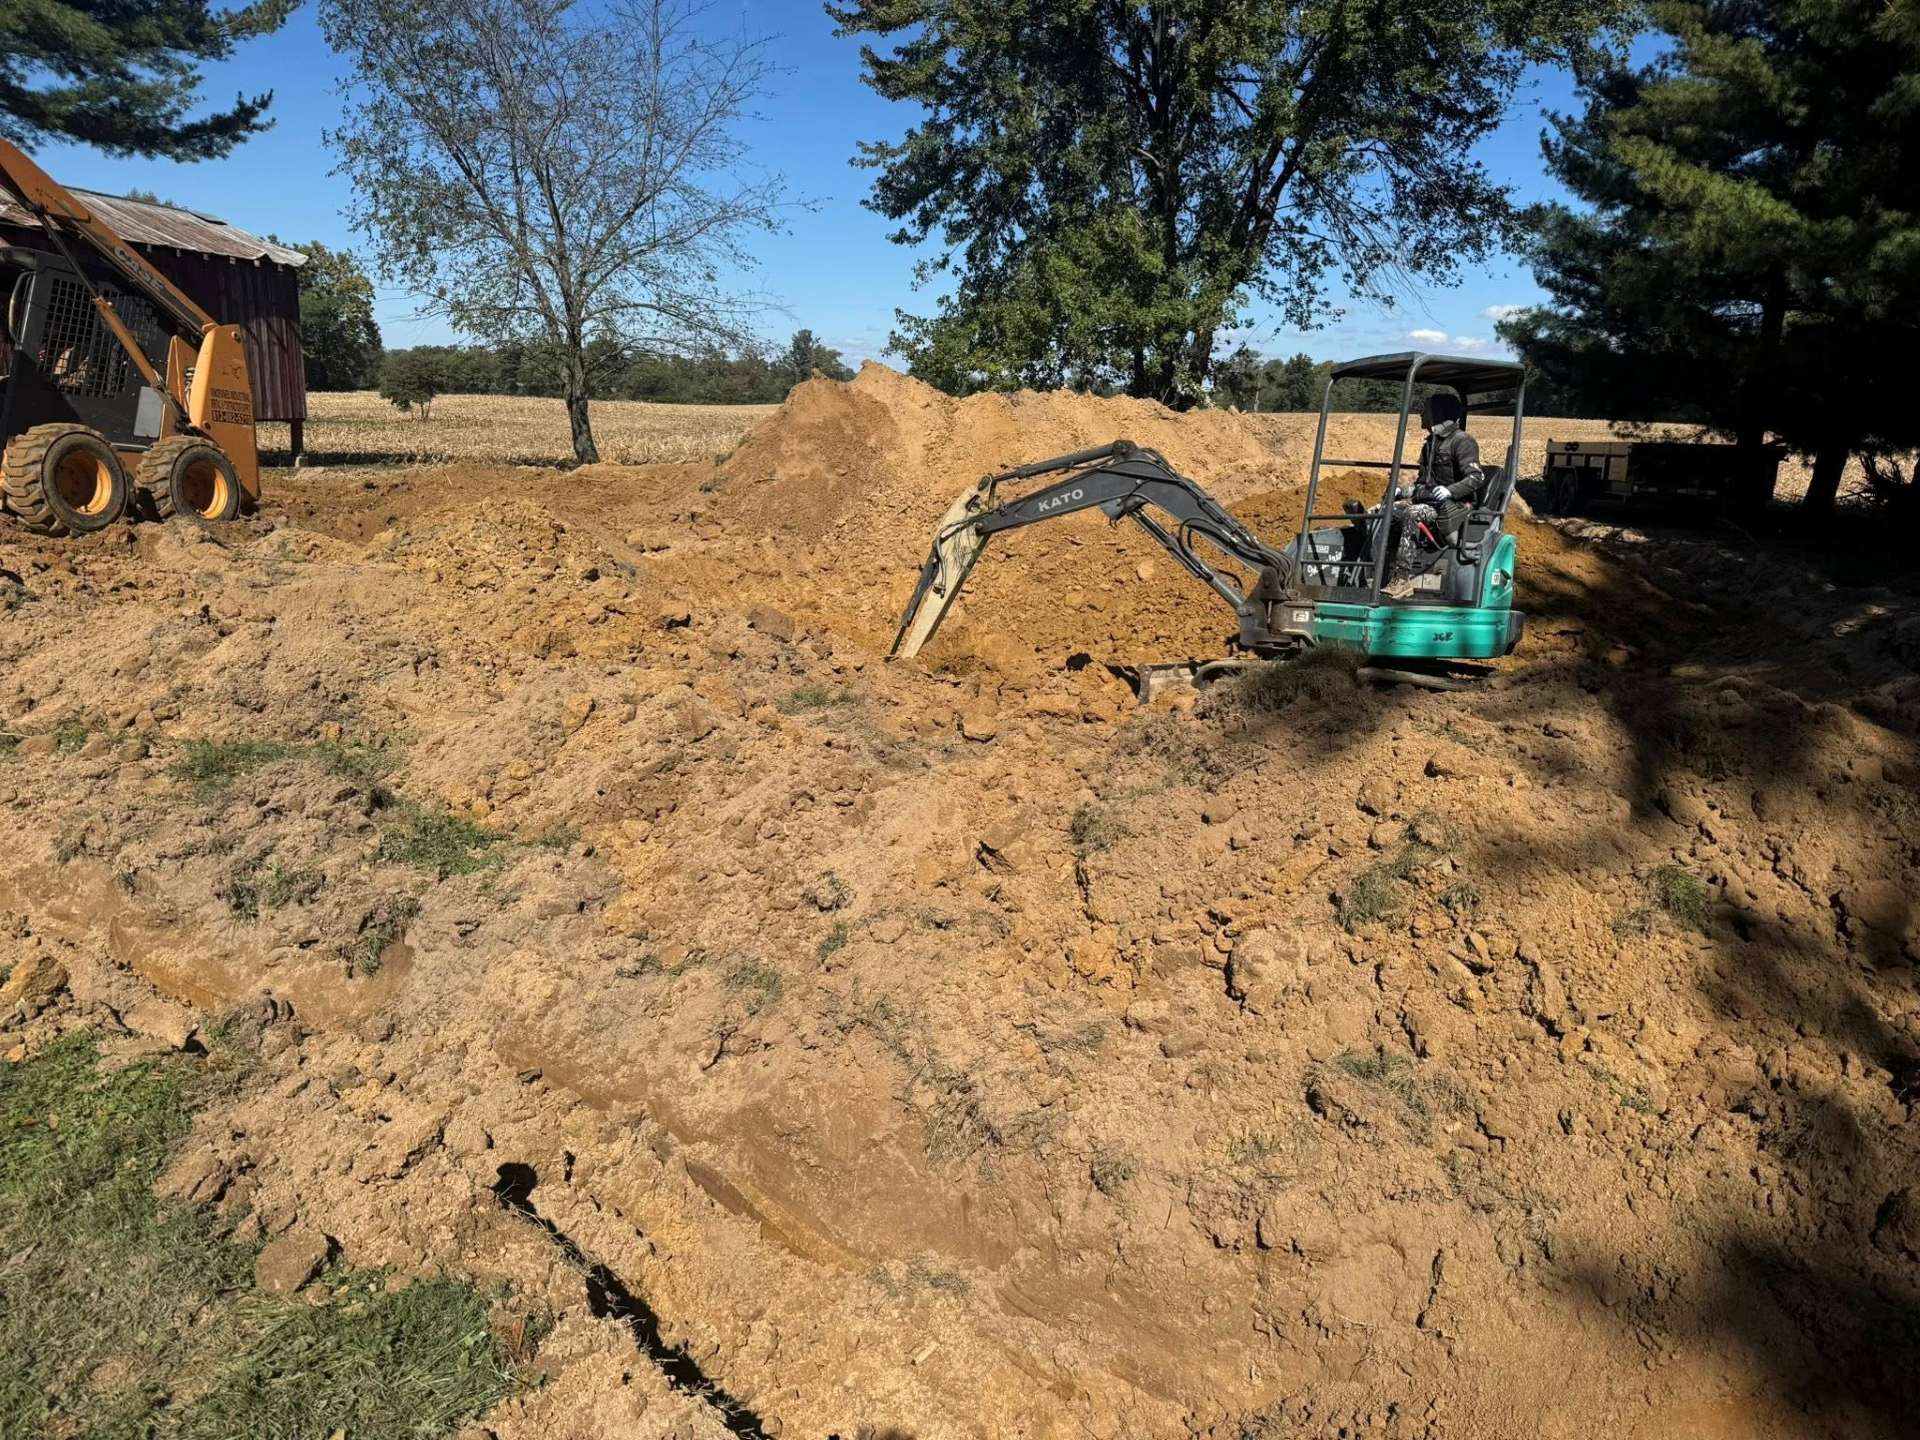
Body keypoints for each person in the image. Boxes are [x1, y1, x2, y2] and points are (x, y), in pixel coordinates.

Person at [1384, 392, 1488, 594]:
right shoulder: (1430, 444)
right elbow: (1423, 483)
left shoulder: (1462, 441)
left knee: (1413, 514)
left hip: (1455, 506)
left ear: (1438, 413)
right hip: (1430, 502)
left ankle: (1401, 580)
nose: (1421, 414)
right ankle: (1380, 570)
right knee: (1386, 511)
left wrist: (1450, 490)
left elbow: (1476, 478)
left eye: (1426, 410)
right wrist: (1401, 491)